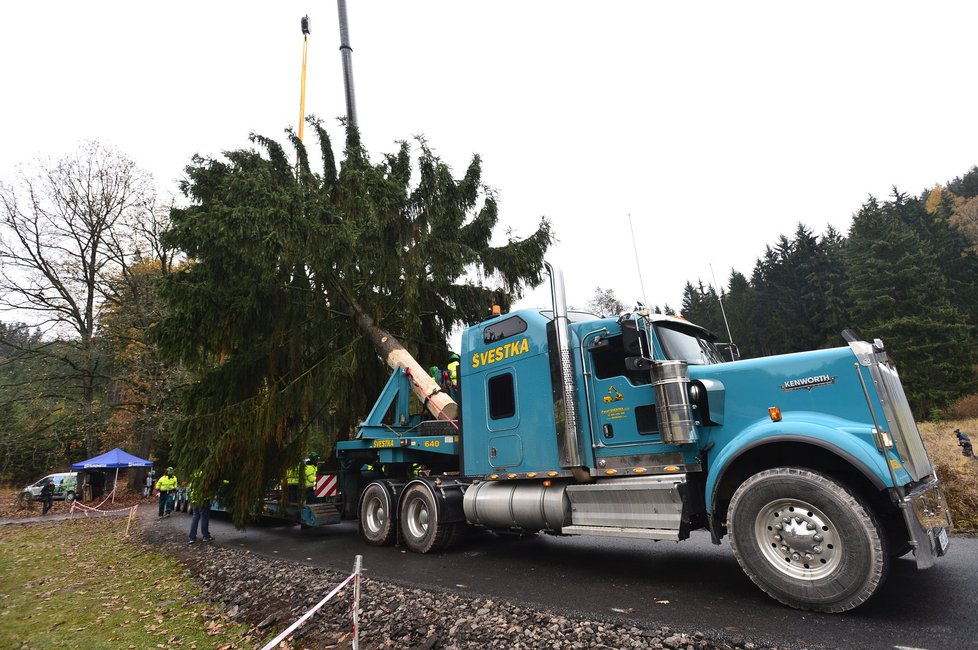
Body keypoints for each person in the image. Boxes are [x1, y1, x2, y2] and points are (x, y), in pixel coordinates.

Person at [187, 472, 213, 544]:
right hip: (203, 500)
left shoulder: (194, 476)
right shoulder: (206, 475)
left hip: (194, 501)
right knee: (204, 518)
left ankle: (192, 538)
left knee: (195, 517)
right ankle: (205, 536)